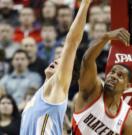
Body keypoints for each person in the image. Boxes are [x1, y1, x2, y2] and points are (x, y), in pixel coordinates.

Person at [20, 0, 91, 134]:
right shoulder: (42, 93)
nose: (57, 61)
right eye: (57, 58)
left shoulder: (58, 85)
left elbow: (72, 42)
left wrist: (85, 4)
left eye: (61, 62)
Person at [72, 28, 132, 135]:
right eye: (112, 72)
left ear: (127, 86)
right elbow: (87, 61)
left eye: (120, 75)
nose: (113, 76)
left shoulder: (130, 121)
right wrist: (105, 37)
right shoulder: (93, 90)